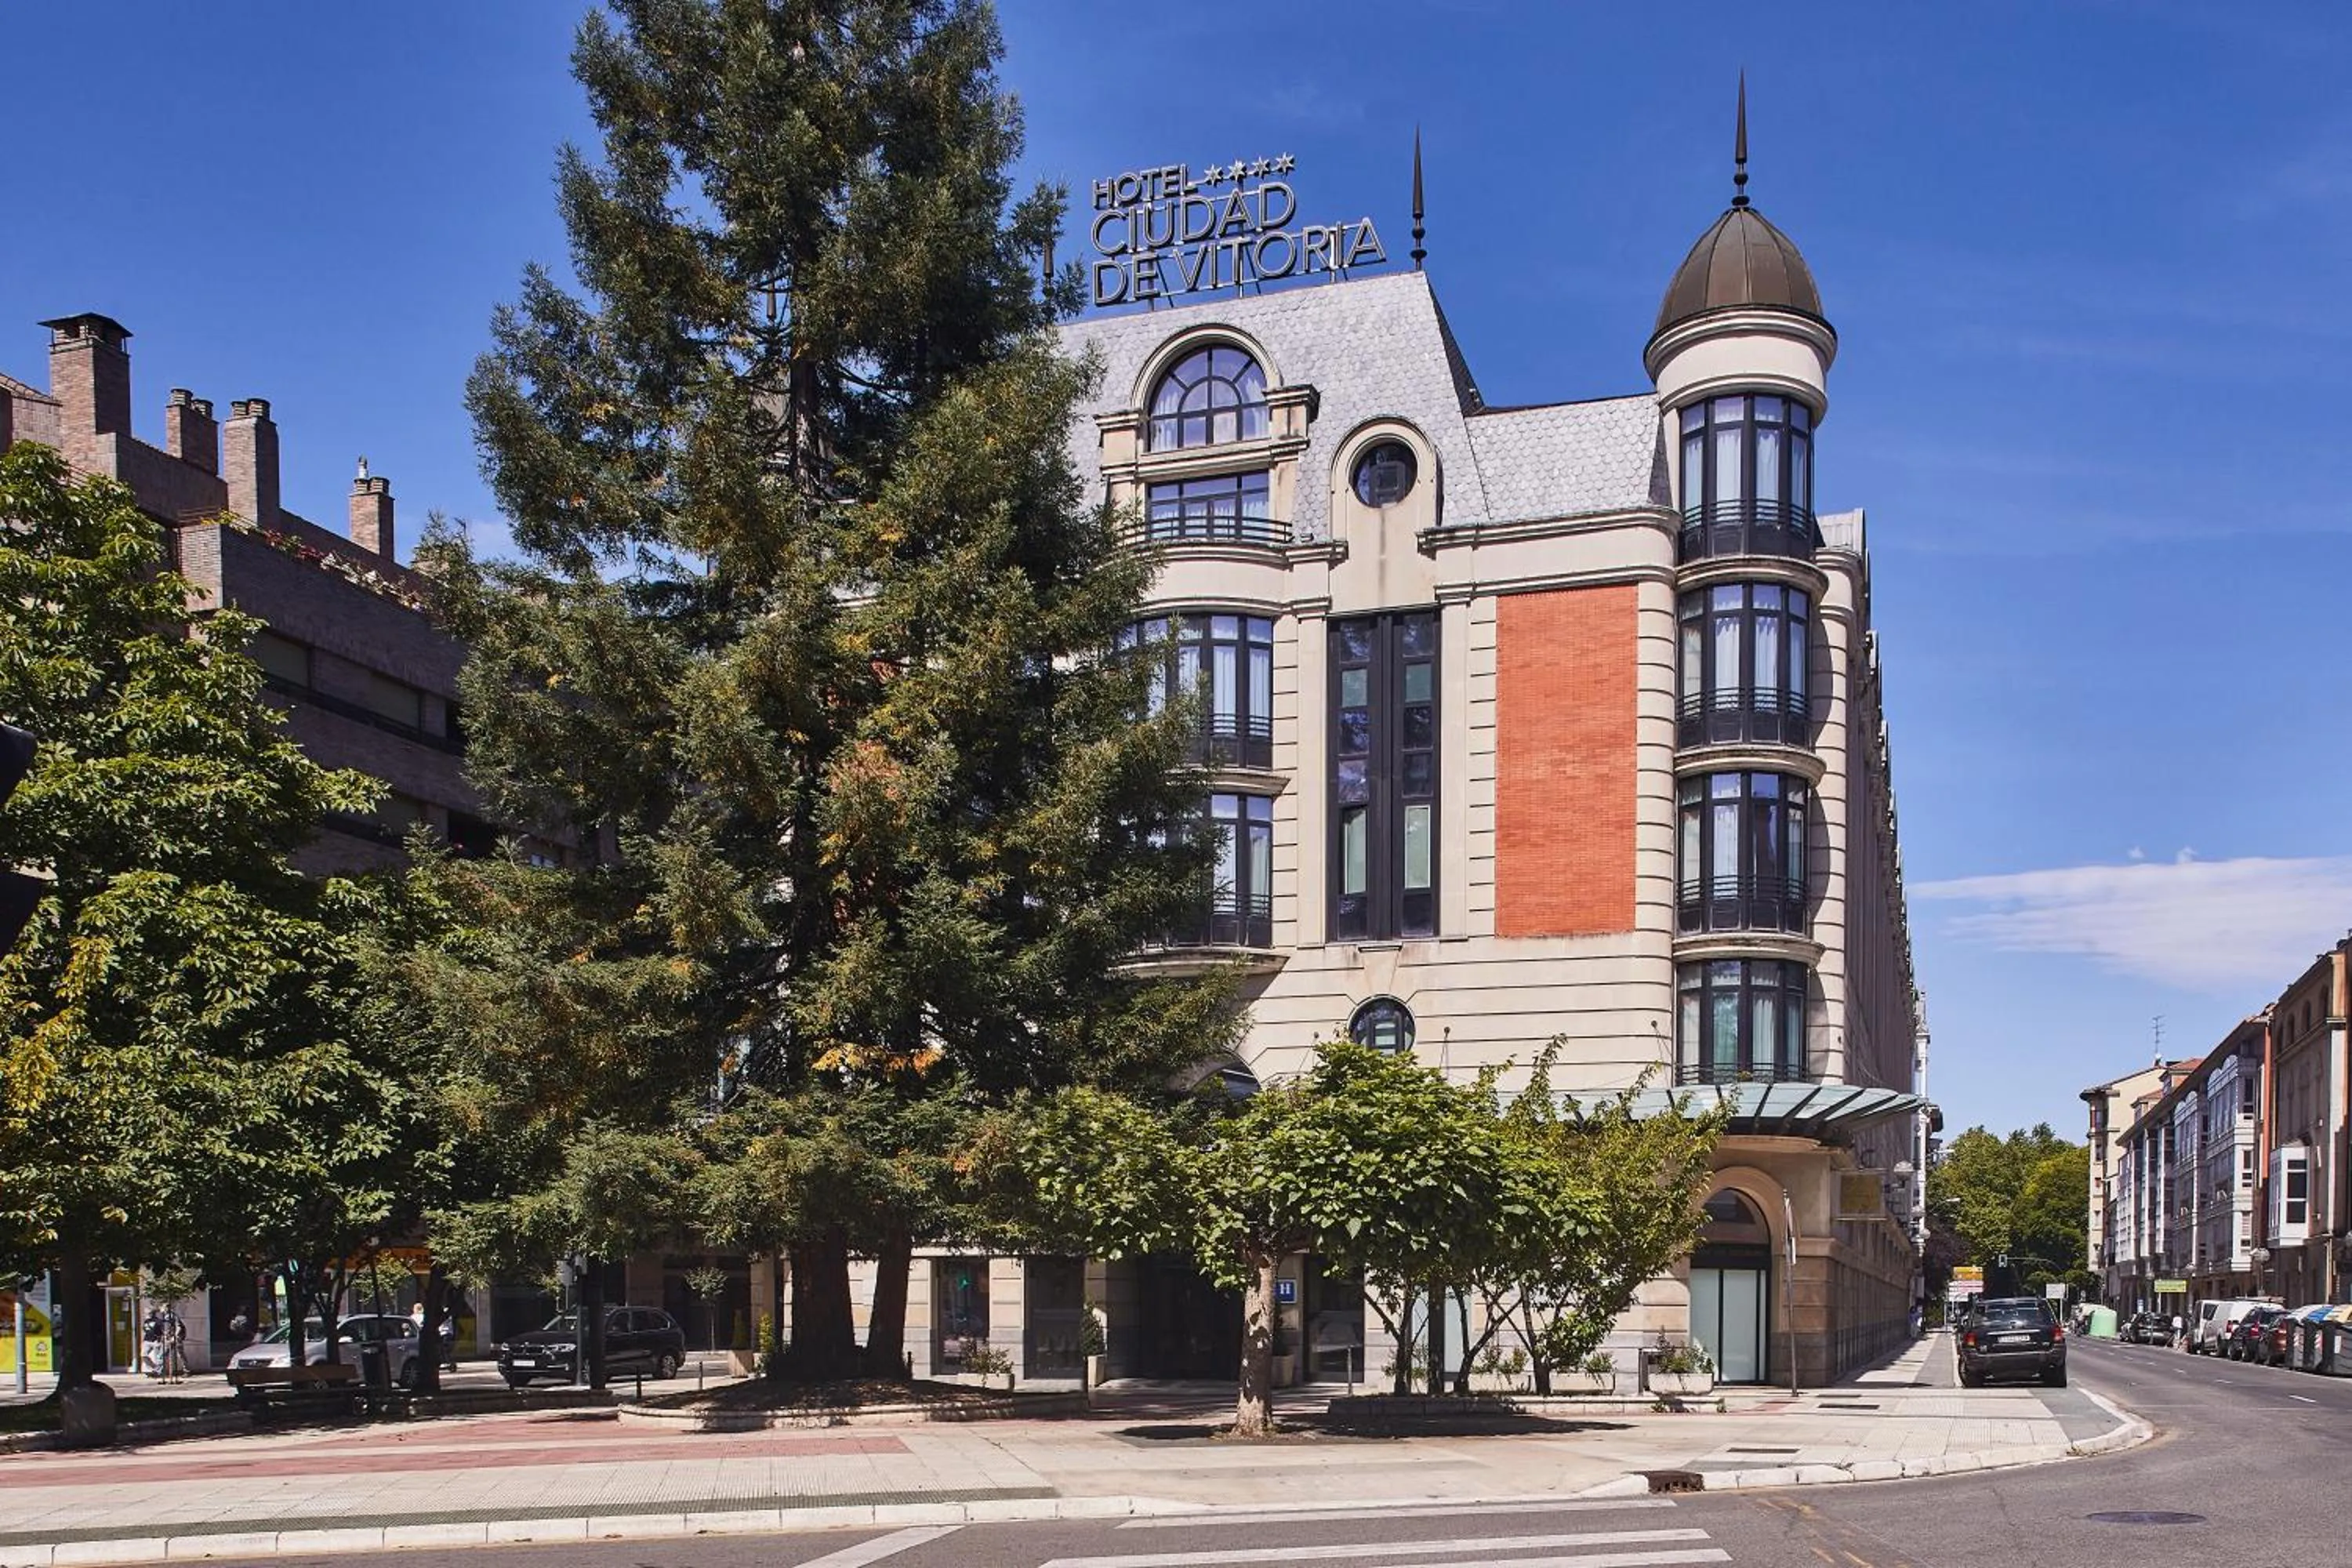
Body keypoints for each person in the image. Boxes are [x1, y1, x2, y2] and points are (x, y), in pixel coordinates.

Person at [160, 1307, 188, 1384]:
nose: (161, 1310)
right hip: (171, 1338)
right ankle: (162, 1372)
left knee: (180, 1354)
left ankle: (186, 1371)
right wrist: (165, 1335)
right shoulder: (166, 1317)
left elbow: (178, 1327)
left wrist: (175, 1337)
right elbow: (166, 1328)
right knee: (165, 1354)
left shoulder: (172, 1316)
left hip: (175, 1338)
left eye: (162, 1308)